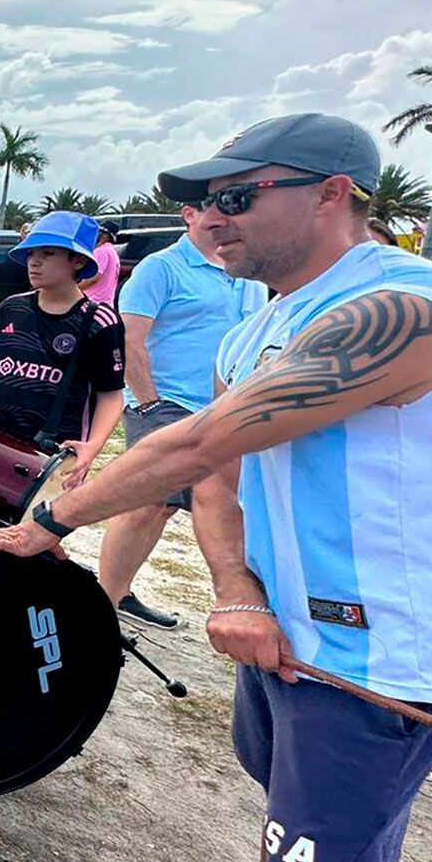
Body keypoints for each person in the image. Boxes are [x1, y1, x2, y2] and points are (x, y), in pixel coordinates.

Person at [0, 113, 432, 862]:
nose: (205, 217)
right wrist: (237, 591)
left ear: (335, 193)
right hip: (290, 639)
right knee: (293, 832)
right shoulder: (256, 325)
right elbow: (218, 476)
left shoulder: (412, 304)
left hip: (385, 655)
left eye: (236, 196)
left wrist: (51, 522)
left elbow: (202, 436)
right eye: (199, 199)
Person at [97, 204, 267, 628]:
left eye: (234, 207)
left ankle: (118, 593)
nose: (224, 218)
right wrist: (151, 403)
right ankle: (102, 604)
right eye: (213, 209)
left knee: (199, 505)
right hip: (167, 403)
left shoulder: (247, 271)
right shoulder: (161, 268)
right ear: (189, 215)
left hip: (227, 407)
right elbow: (131, 340)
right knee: (147, 503)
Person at [0, 211, 125, 490]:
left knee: (33, 532)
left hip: (52, 455)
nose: (34, 262)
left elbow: (111, 396)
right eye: (31, 253)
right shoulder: (10, 308)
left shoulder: (99, 322)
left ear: (78, 261)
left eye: (47, 253)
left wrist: (91, 448)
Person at [86, 222, 123, 306]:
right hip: (105, 303)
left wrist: (76, 289)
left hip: (94, 301)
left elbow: (94, 277)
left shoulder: (101, 251)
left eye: (99, 232)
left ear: (106, 236)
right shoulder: (111, 251)